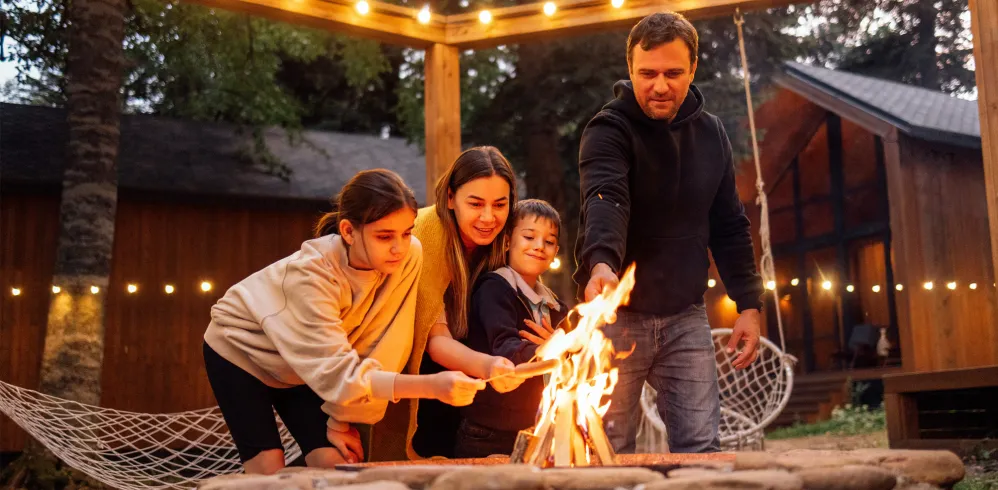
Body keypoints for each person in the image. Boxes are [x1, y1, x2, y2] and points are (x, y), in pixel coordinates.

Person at [202, 169, 485, 474]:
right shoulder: (311, 276)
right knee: (268, 470)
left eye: (406, 232)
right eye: (384, 236)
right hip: (242, 353)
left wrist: (341, 417)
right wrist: (431, 386)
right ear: (349, 231)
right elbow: (340, 375)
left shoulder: (408, 255)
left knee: (337, 464)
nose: (399, 247)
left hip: (307, 367)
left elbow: (384, 341)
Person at [573, 12, 765, 454]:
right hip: (616, 316)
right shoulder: (607, 129)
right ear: (630, 69)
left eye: (673, 73)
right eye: (648, 74)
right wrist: (601, 264)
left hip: (685, 315)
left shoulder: (712, 133)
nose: (659, 86)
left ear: (693, 69)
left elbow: (730, 224)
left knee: (700, 447)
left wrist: (749, 304)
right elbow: (605, 199)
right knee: (607, 448)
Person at [373, 146, 523, 461]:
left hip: (473, 385)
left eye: (500, 204)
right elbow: (435, 341)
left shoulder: (506, 240)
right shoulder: (426, 234)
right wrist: (490, 367)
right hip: (417, 374)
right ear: (451, 198)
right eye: (476, 204)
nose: (488, 217)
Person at [455, 199, 568, 458]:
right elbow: (505, 349)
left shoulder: (556, 307)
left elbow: (576, 354)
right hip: (490, 431)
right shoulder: (494, 289)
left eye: (549, 241)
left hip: (537, 428)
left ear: (556, 251)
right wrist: (548, 350)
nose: (539, 246)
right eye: (529, 237)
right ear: (507, 242)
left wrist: (565, 349)